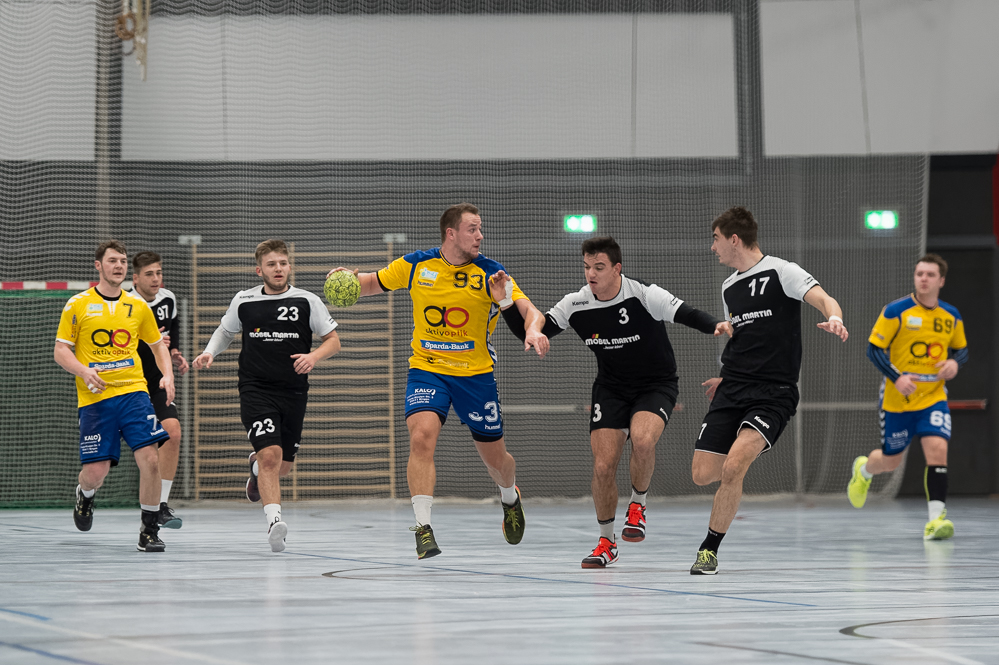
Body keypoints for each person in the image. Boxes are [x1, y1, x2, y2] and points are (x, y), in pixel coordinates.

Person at [328, 202, 549, 559]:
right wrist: (347, 280)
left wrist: (534, 330)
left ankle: (510, 497)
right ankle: (423, 528)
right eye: (472, 229)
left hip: (475, 376)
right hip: (427, 368)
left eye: (480, 229)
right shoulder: (417, 265)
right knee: (421, 437)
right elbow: (371, 282)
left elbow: (528, 310)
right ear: (451, 233)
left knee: (497, 461)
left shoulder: (491, 273)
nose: (480, 235)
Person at [502, 237, 731, 568]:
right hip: (611, 389)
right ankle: (607, 543)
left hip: (655, 385)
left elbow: (687, 313)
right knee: (602, 467)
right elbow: (534, 330)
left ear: (616, 269)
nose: (591, 274)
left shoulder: (643, 295)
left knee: (642, 440)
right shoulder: (576, 303)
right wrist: (507, 303)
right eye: (586, 267)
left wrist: (716, 325)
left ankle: (638, 503)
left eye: (599, 267)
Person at [690, 207, 849, 574]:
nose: (713, 247)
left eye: (716, 239)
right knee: (702, 473)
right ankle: (737, 463)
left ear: (733, 239)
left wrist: (835, 317)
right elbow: (743, 339)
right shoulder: (729, 287)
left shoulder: (782, 271)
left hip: (773, 393)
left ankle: (708, 550)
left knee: (733, 466)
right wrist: (726, 377)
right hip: (733, 388)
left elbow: (824, 299)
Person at [193, 239, 341, 552]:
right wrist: (209, 352)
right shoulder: (244, 300)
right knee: (270, 455)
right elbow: (225, 331)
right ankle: (275, 524)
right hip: (256, 389)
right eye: (271, 264)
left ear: (290, 267)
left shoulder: (307, 300)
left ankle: (255, 469)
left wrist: (313, 357)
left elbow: (333, 340)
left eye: (283, 263)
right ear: (259, 270)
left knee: (282, 466)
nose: (278, 269)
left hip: (294, 391)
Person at [54, 240, 176, 552]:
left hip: (133, 392)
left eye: (122, 261)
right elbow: (61, 350)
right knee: (96, 473)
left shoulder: (137, 306)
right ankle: (85, 494)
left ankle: (148, 532)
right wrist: (84, 371)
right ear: (99, 266)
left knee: (150, 459)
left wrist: (167, 374)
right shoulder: (78, 304)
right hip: (96, 397)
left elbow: (157, 345)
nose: (119, 265)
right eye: (112, 261)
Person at [847, 254, 967, 540]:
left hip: (933, 398)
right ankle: (864, 470)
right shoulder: (896, 310)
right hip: (897, 400)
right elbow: (874, 349)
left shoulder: (951, 315)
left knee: (937, 449)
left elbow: (961, 349)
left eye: (930, 274)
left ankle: (936, 521)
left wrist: (955, 363)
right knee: (891, 461)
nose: (923, 279)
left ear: (941, 281)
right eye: (919, 273)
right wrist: (896, 377)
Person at [130, 251, 190, 529]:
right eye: (149, 274)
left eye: (159, 273)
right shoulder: (127, 304)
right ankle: (87, 492)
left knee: (173, 433)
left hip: (157, 382)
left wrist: (174, 353)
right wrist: (151, 343)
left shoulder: (168, 299)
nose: (156, 279)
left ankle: (161, 506)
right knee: (103, 464)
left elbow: (171, 330)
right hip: (128, 383)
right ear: (135, 278)